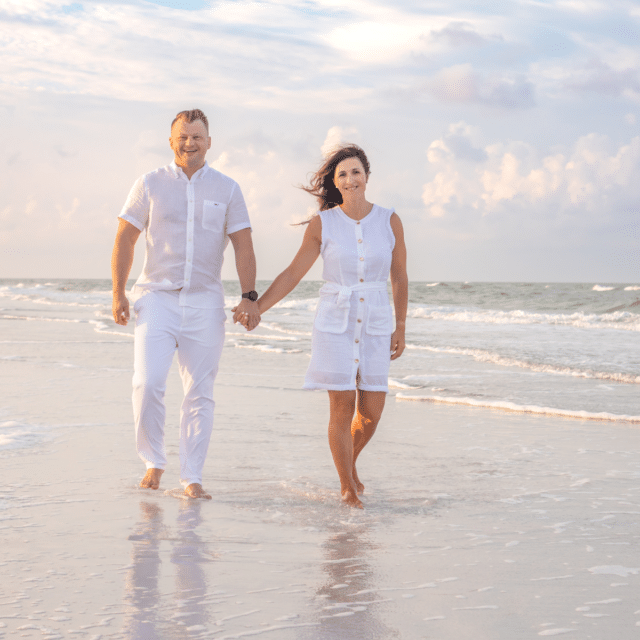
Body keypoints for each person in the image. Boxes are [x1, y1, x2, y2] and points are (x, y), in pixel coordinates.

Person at [247, 144, 408, 508]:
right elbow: (292, 273)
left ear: (367, 175)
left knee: (371, 412)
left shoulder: (389, 220)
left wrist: (400, 325)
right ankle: (347, 487)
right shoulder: (324, 224)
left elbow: (399, 275)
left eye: (355, 172)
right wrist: (259, 307)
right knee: (342, 406)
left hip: (377, 322)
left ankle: (348, 465)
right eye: (342, 175)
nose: (350, 179)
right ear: (334, 183)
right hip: (335, 320)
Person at [111, 108, 260, 499]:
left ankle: (191, 476)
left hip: (205, 303)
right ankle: (153, 461)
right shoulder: (149, 184)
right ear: (171, 141)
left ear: (209, 142)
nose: (190, 143)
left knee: (200, 392)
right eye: (183, 136)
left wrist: (249, 297)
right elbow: (125, 238)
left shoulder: (227, 188)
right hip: (156, 298)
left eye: (197, 136)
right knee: (147, 382)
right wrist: (117, 292)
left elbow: (243, 243)